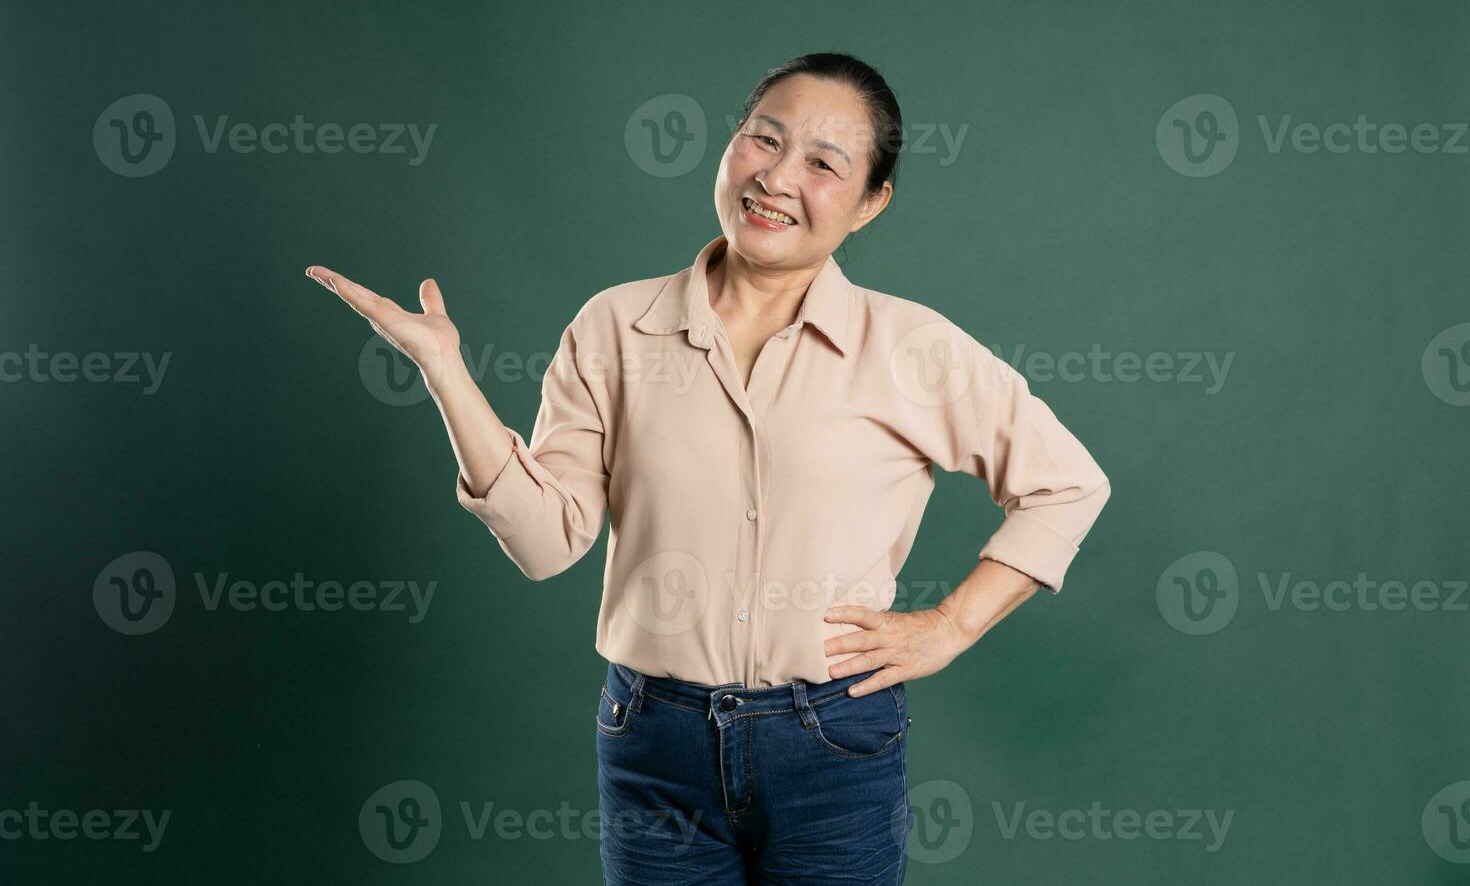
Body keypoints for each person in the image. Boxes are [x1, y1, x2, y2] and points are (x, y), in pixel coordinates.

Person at [305, 52, 1111, 884]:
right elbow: (547, 543)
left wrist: (951, 626)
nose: (776, 177)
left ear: (872, 204)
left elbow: (1068, 484)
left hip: (834, 742)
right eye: (764, 139)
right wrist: (448, 375)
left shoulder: (910, 346)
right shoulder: (615, 326)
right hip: (654, 737)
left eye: (823, 163)